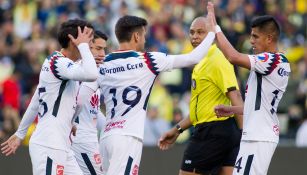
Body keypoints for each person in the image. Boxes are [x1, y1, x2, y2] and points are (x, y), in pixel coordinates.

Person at [79, 14, 216, 174]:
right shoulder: (148, 60)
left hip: (106, 137)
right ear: (136, 36)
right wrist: (213, 32)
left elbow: (82, 97)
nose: (145, 39)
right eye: (144, 35)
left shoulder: (103, 63)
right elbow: (193, 57)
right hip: (128, 137)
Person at [1, 19, 98, 175]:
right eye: (87, 40)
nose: (90, 46)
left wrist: (20, 133)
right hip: (49, 144)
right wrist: (84, 47)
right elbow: (92, 74)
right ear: (74, 42)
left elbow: (35, 101)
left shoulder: (61, 64)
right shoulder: (58, 63)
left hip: (62, 145)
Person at [208, 2, 291, 175]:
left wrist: (215, 27)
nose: (251, 41)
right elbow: (258, 105)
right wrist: (232, 109)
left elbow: (232, 56)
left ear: (269, 38)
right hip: (255, 134)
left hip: (259, 136)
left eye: (255, 36)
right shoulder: (270, 63)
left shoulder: (272, 60)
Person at [158, 16, 244, 175]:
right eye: (192, 32)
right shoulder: (202, 62)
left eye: (200, 32)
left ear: (211, 34)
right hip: (220, 131)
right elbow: (201, 110)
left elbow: (236, 96)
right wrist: (177, 129)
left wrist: (244, 134)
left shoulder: (217, 59)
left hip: (211, 132)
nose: (195, 36)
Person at [71, 30, 108, 175]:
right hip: (81, 140)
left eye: (104, 48)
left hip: (90, 139)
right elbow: (77, 102)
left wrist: (108, 127)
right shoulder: (78, 71)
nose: (103, 54)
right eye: (98, 48)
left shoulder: (94, 72)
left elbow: (93, 110)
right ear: (86, 47)